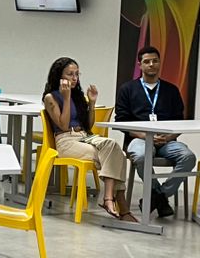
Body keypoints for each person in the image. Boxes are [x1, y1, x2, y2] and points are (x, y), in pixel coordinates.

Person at [41, 56, 134, 221]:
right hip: (66, 141)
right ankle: (119, 204)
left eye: (77, 74)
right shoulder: (51, 97)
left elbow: (88, 125)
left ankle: (110, 200)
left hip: (84, 137)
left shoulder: (77, 95)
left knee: (114, 149)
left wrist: (91, 103)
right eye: (70, 74)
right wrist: (66, 97)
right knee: (116, 156)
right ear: (59, 75)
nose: (75, 78)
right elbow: (63, 125)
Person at [113, 46, 195, 218]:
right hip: (139, 139)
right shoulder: (127, 89)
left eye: (155, 61)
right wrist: (145, 135)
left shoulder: (171, 90)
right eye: (147, 61)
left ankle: (159, 196)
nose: (151, 64)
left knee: (188, 157)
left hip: (167, 141)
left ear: (160, 63)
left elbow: (180, 121)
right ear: (140, 65)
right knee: (141, 156)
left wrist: (168, 137)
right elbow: (121, 122)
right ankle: (160, 199)